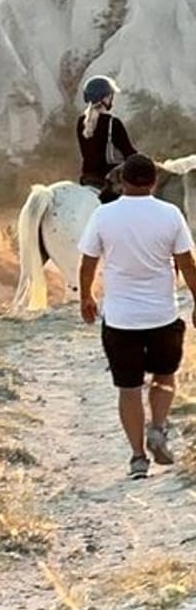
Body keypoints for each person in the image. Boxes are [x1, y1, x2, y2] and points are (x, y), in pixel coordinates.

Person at [79, 154, 196, 479]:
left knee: (129, 388)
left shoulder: (103, 215)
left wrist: (86, 296)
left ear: (122, 182)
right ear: (154, 182)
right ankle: (157, 427)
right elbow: (187, 263)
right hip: (163, 315)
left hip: (121, 320)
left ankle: (138, 458)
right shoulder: (170, 214)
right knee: (165, 377)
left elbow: (88, 263)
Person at [78, 75, 136, 190]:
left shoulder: (81, 122)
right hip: (109, 180)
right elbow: (129, 154)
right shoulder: (113, 123)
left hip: (87, 178)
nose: (111, 99)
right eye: (110, 96)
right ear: (105, 98)